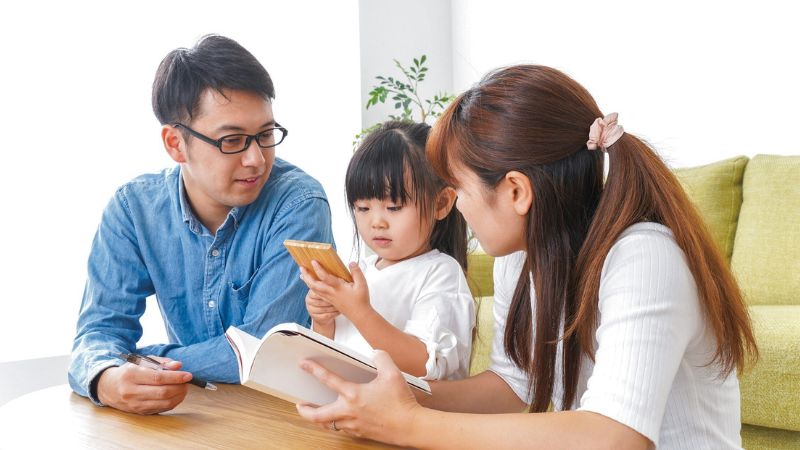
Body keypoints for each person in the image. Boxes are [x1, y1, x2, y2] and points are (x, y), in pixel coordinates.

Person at [295, 65, 758, 449]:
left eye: (461, 190)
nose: (455, 207)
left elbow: (615, 436)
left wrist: (408, 424)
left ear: (516, 191)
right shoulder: (520, 256)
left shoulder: (644, 256)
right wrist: (395, 401)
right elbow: (511, 387)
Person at [68, 35, 334, 415]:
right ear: (176, 144)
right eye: (233, 141)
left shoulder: (299, 205)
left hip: (285, 417)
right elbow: (97, 335)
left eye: (264, 135)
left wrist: (142, 358)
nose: (257, 159)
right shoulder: (133, 209)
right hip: (190, 418)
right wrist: (108, 378)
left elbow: (265, 352)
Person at [301, 121, 475, 380]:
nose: (377, 222)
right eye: (362, 208)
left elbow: (425, 364)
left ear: (441, 203)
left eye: (393, 208)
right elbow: (338, 356)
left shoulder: (441, 272)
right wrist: (324, 322)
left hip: (414, 417)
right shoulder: (365, 270)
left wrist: (359, 311)